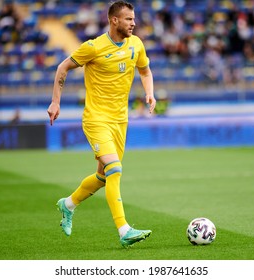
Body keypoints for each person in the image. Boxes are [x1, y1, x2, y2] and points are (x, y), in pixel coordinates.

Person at [47, 1, 156, 248]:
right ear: (114, 20)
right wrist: (55, 102)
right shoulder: (93, 47)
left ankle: (68, 204)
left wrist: (150, 93)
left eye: (134, 18)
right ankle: (123, 229)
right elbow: (63, 67)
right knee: (115, 169)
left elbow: (145, 71)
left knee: (102, 176)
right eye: (128, 19)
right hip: (96, 118)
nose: (133, 23)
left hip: (120, 120)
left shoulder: (136, 44)